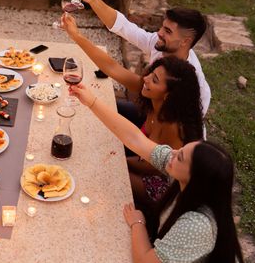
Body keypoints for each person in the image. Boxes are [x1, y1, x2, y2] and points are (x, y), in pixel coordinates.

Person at [69, 83, 243, 263]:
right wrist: (91, 101)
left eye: (180, 156)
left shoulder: (196, 225)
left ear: (196, 177)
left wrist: (138, 223)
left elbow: (145, 261)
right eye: (180, 149)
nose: (172, 152)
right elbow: (135, 139)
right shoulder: (183, 175)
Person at [61, 14, 203, 207]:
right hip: (143, 160)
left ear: (168, 94)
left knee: (101, 175)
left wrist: (119, 160)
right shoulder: (154, 99)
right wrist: (76, 35)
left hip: (164, 186)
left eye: (154, 80)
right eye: (150, 74)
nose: (145, 79)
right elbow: (112, 67)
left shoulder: (173, 126)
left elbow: (152, 166)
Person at [76, 0, 211, 122]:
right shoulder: (162, 44)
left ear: (186, 41)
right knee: (88, 108)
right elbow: (125, 27)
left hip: (164, 132)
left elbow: (176, 134)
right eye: (162, 27)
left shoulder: (188, 82)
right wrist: (93, 0)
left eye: (168, 31)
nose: (159, 33)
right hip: (150, 114)